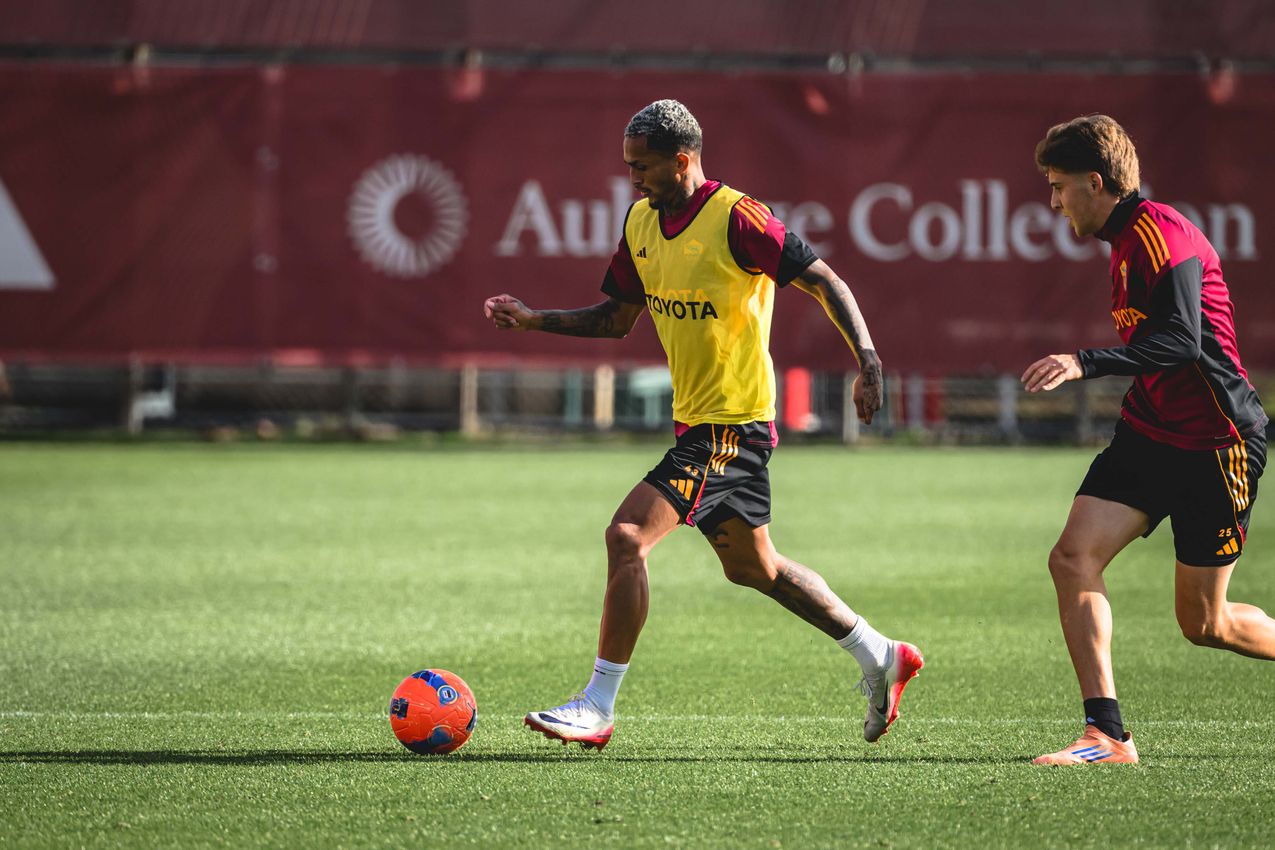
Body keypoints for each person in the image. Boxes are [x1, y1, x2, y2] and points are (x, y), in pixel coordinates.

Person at [483, 99, 923, 750]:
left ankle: (596, 705)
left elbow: (824, 280)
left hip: (733, 428)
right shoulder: (639, 222)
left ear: (683, 160)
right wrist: (533, 319)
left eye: (644, 166)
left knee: (626, 535)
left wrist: (868, 360)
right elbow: (615, 318)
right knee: (754, 569)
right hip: (698, 426)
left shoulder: (737, 219)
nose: (633, 178)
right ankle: (879, 654)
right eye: (628, 165)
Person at [1022, 114, 1271, 765]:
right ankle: (1105, 735)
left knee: (1206, 626)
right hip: (1149, 432)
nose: (1052, 201)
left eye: (1057, 186)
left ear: (1095, 182)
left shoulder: (1160, 234)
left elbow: (1181, 341)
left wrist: (1083, 361)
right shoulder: (1124, 239)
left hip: (1218, 445)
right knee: (1071, 559)